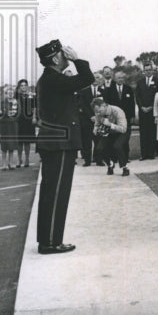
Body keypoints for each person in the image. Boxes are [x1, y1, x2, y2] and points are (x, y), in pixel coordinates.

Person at [35, 39, 93, 255]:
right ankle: (50, 242)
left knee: (51, 192)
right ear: (55, 59)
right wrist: (77, 59)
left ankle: (47, 239)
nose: (66, 55)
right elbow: (87, 78)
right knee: (56, 193)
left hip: (55, 143)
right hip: (59, 145)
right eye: (62, 53)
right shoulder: (54, 79)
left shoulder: (50, 79)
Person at [103, 69, 135, 170]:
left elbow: (132, 103)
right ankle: (114, 159)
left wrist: (132, 116)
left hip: (126, 118)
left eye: (122, 78)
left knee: (124, 140)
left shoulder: (128, 89)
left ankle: (125, 158)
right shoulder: (109, 89)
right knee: (114, 140)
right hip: (114, 119)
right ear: (115, 79)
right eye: (118, 78)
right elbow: (107, 105)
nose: (120, 79)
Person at [92, 98, 129, 176]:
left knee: (117, 146)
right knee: (99, 148)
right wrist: (95, 128)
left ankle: (124, 167)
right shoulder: (98, 112)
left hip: (121, 132)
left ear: (103, 105)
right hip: (109, 132)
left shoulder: (117, 111)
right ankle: (110, 164)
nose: (98, 113)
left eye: (99, 111)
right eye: (96, 112)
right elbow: (97, 122)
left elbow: (123, 129)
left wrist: (110, 124)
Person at [78, 73, 104, 166]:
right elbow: (83, 105)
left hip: (100, 120)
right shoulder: (84, 91)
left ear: (100, 79)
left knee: (99, 140)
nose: (95, 79)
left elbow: (106, 104)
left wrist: (98, 116)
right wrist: (91, 116)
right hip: (87, 120)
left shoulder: (103, 91)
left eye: (97, 77)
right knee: (87, 141)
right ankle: (87, 161)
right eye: (93, 77)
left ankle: (99, 160)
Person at [135, 62, 158, 159]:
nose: (148, 72)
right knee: (143, 133)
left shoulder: (157, 81)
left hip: (153, 111)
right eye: (146, 70)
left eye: (150, 70)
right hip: (142, 111)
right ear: (143, 71)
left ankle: (151, 153)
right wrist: (141, 107)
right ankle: (144, 154)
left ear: (152, 70)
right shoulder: (140, 82)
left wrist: (151, 107)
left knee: (152, 132)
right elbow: (137, 96)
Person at [0, 84, 20, 169]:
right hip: (5, 125)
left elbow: (19, 113)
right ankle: (4, 163)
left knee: (12, 145)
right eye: (8, 93)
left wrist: (14, 118)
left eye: (12, 93)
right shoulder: (2, 102)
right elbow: (0, 114)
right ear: (6, 94)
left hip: (13, 125)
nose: (10, 94)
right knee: (4, 145)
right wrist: (5, 113)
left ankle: (11, 162)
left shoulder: (16, 102)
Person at [15, 79, 37, 167]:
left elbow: (34, 108)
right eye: (21, 85)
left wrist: (34, 117)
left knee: (27, 141)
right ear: (19, 87)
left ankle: (27, 159)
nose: (23, 87)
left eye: (25, 85)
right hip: (19, 120)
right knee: (19, 141)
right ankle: (19, 159)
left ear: (27, 86)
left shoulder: (31, 96)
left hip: (28, 120)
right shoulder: (16, 96)